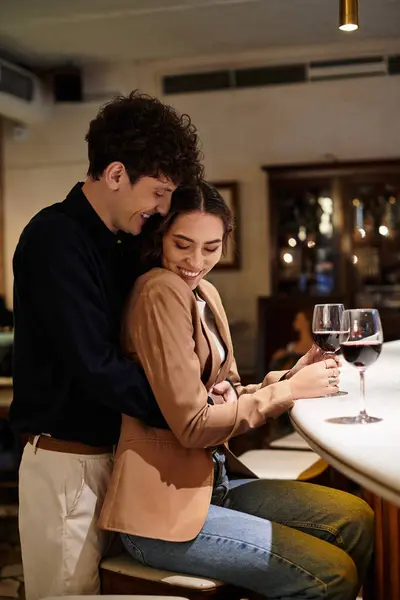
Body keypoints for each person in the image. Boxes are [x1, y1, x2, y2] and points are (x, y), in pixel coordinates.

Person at [99, 182, 374, 600]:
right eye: (182, 244)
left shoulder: (204, 293)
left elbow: (228, 391)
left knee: (355, 516)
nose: (195, 261)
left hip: (215, 483)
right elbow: (194, 425)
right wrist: (286, 393)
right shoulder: (159, 290)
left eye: (210, 248)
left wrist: (288, 378)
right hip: (162, 513)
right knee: (332, 574)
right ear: (162, 239)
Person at [10, 91, 203, 600]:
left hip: (114, 456)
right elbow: (95, 365)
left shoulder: (121, 240)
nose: (163, 209)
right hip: (64, 461)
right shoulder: (54, 237)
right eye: (159, 192)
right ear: (116, 174)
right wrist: (187, 411)